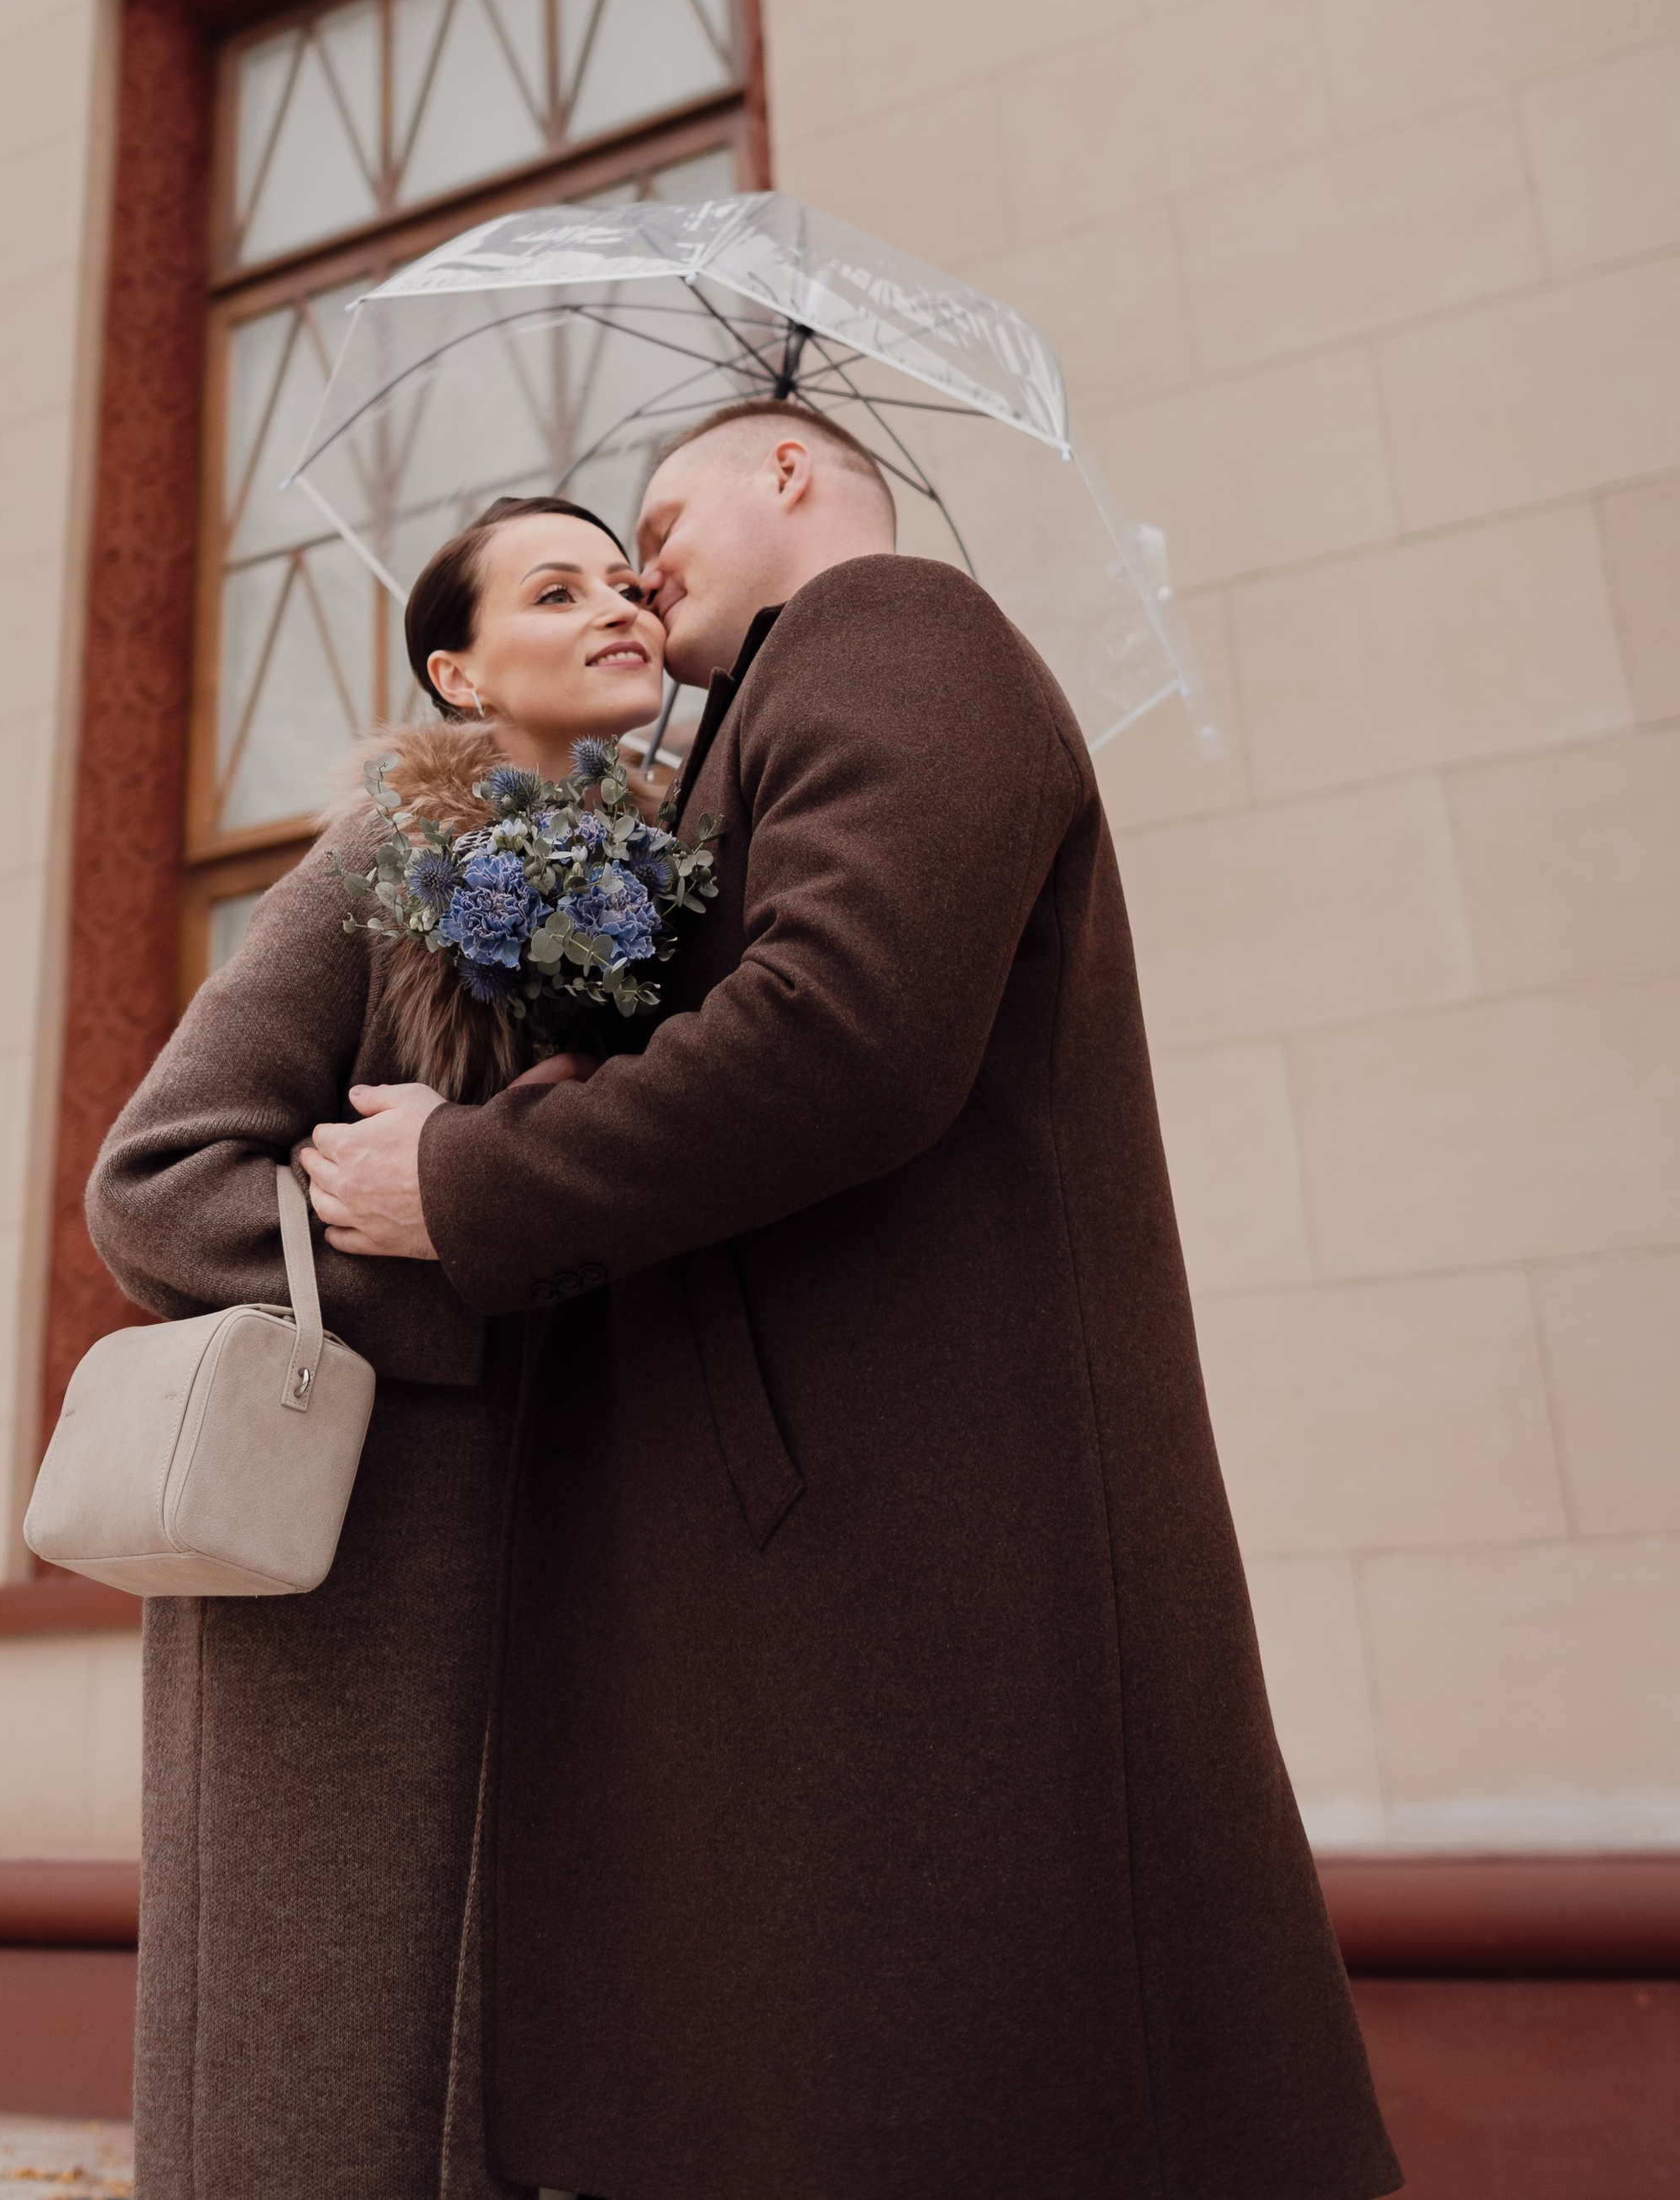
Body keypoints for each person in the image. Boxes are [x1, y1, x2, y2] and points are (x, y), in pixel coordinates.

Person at [302, 402, 1403, 2200]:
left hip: (916, 1544)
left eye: (657, 518)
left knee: (941, 2102)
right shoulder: (777, 708)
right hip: (867, 1535)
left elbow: (836, 1031)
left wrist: (465, 1176)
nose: (640, 571)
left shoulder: (897, 632)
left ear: (790, 475)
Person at [83, 495, 666, 2200]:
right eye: (556, 588)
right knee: (332, 2060)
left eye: (627, 580)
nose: (617, 605)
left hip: (561, 1553)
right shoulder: (379, 871)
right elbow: (150, 1182)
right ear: (459, 668)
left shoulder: (664, 905)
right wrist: (449, 1259)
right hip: (351, 1557)